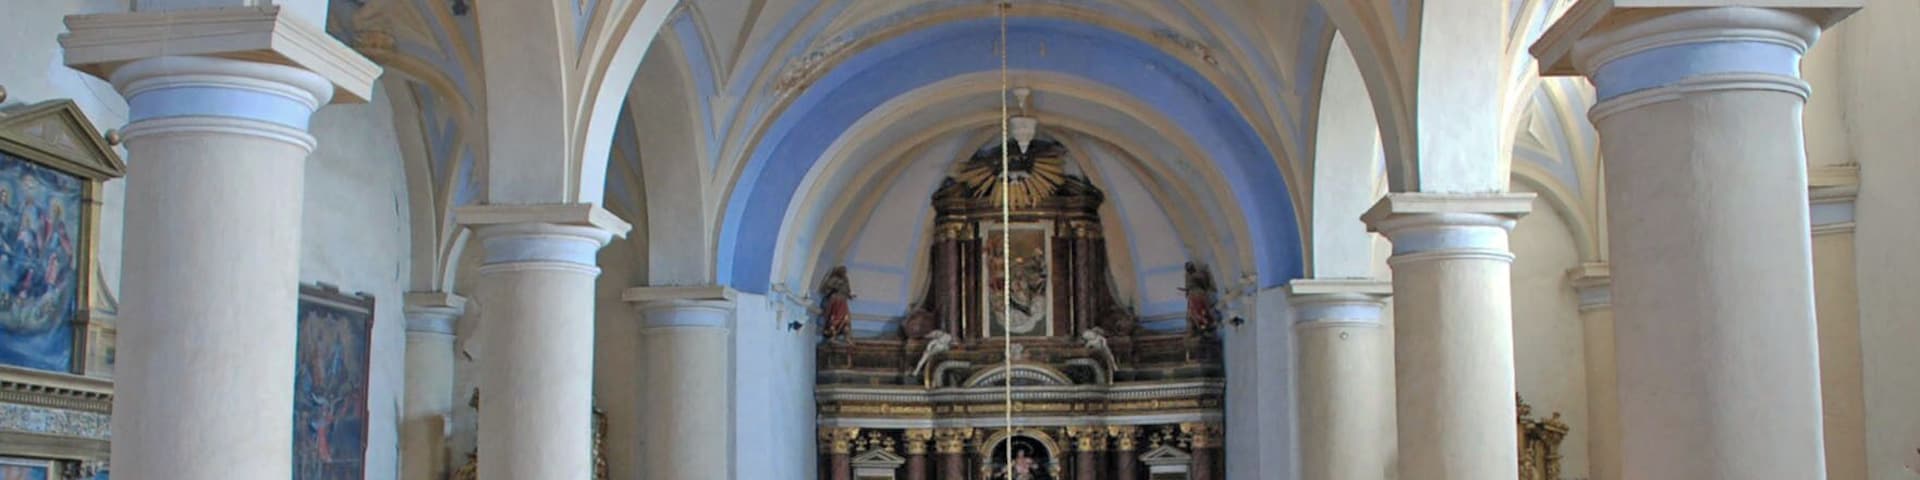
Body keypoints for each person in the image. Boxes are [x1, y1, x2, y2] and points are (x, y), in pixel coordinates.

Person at [819, 266, 855, 344]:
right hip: (835, 302)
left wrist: (850, 295)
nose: (844, 273)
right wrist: (835, 287)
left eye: (845, 272)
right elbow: (826, 289)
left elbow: (847, 290)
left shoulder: (845, 280)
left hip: (843, 302)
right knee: (833, 319)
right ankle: (832, 336)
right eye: (842, 271)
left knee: (846, 319)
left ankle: (847, 337)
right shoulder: (833, 279)